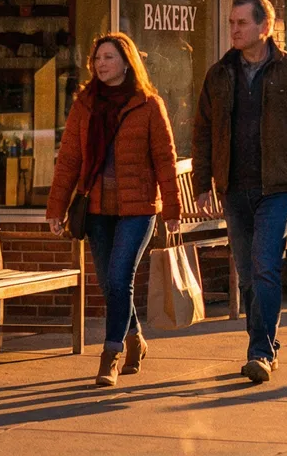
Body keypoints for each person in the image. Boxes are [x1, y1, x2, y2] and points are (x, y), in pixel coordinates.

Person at [191, 0, 287, 384]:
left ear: (264, 27)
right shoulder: (219, 74)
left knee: (266, 266)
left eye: (241, 23)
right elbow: (203, 133)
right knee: (249, 274)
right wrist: (203, 184)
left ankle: (260, 352)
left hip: (278, 186)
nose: (233, 30)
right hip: (234, 187)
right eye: (231, 23)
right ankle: (265, 341)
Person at [46, 32, 180, 387]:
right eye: (97, 58)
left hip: (138, 208)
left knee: (121, 278)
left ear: (126, 61)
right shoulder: (84, 104)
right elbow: (69, 160)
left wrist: (173, 210)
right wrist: (55, 208)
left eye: (108, 57)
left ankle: (111, 354)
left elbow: (165, 160)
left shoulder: (148, 104)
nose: (100, 64)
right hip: (96, 207)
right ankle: (136, 339)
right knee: (109, 284)